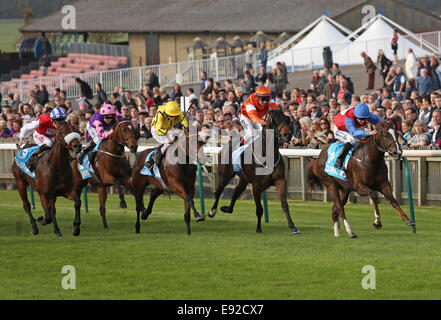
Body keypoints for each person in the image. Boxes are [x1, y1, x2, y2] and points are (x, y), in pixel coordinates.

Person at [332, 103, 383, 170]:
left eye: (364, 119)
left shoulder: (365, 114)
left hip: (351, 128)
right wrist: (369, 133)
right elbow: (354, 133)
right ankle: (339, 161)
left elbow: (381, 121)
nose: (362, 121)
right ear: (356, 116)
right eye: (360, 119)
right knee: (352, 140)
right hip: (340, 130)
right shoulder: (349, 118)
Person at [18, 107, 68, 172]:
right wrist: (21, 139)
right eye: (57, 120)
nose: (60, 123)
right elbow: (26, 127)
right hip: (39, 135)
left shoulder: (65, 123)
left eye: (62, 120)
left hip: (51, 136)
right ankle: (32, 156)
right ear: (52, 120)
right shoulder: (44, 120)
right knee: (49, 143)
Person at [146, 101, 189, 170]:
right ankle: (152, 161)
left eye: (175, 117)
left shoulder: (177, 112)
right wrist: (170, 131)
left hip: (169, 128)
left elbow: (185, 123)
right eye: (171, 116)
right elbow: (159, 131)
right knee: (168, 142)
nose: (173, 118)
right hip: (157, 129)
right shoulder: (160, 113)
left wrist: (185, 128)